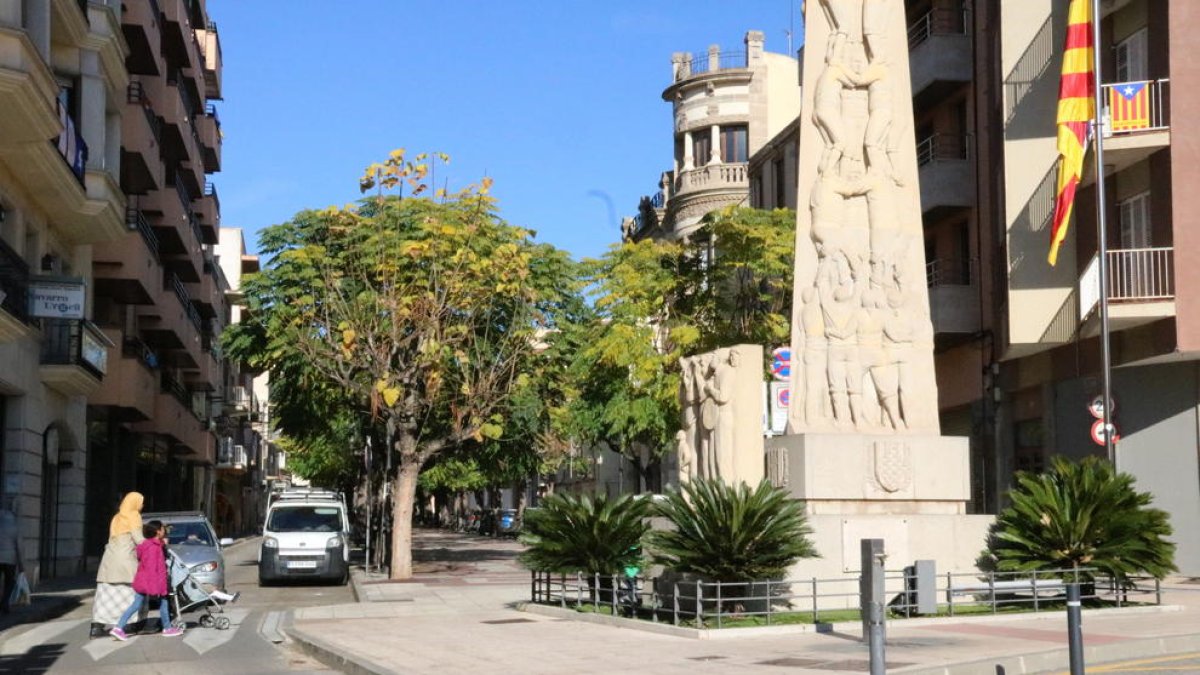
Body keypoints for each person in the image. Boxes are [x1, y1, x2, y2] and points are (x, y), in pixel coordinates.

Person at [110, 521, 181, 640]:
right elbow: (152, 569)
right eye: (163, 529)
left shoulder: (149, 545)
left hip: (143, 581)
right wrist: (156, 588)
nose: (165, 531)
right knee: (163, 602)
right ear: (158, 531)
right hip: (152, 581)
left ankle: (118, 627)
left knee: (136, 605)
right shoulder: (153, 548)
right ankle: (167, 628)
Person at [90, 492, 145, 638]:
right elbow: (138, 539)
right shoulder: (134, 516)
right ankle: (128, 623)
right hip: (126, 558)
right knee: (129, 593)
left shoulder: (117, 517)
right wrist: (153, 546)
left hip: (109, 558)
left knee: (106, 594)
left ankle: (96, 626)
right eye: (141, 502)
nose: (142, 505)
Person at [0, 498, 22, 614]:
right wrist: (21, 565)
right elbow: (19, 546)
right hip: (10, 560)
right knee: (10, 582)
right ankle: (5, 602)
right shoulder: (14, 526)